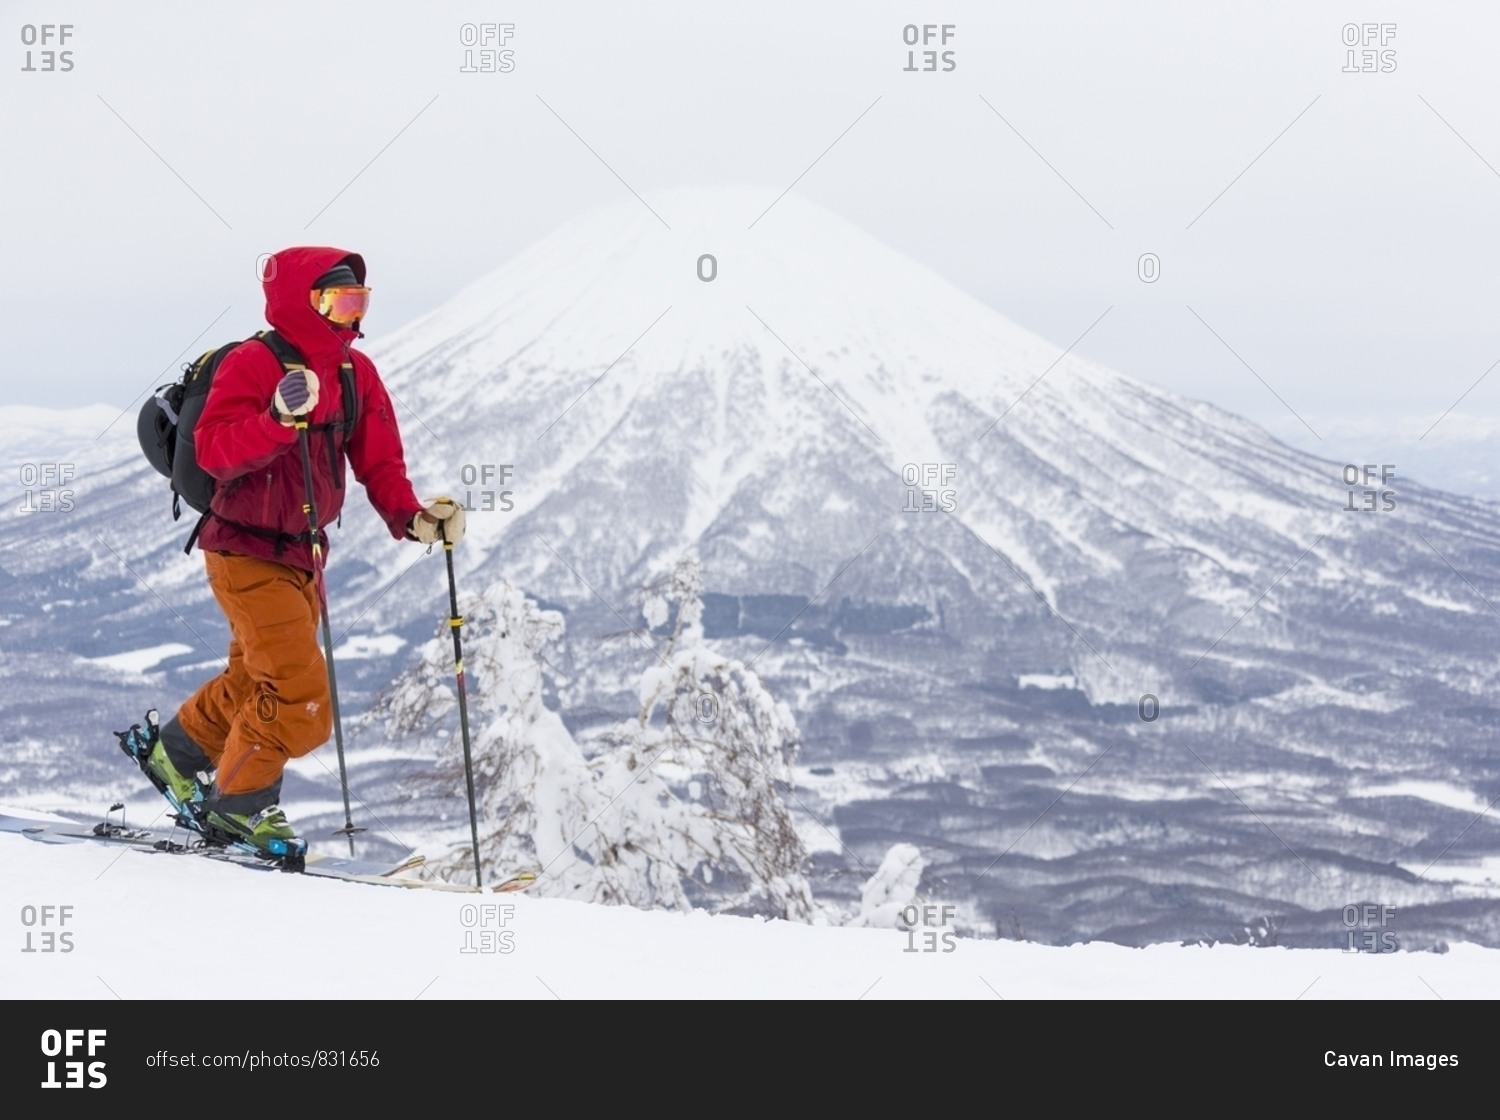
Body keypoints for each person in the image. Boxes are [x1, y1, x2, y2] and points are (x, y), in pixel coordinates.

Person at [140, 246, 464, 854]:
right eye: (337, 301)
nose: (349, 315)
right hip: (243, 550)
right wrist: (277, 421)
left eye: (357, 302)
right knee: (300, 696)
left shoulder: (354, 374)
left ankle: (176, 755)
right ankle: (239, 808)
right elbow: (215, 452)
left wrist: (414, 519)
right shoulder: (253, 365)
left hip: (303, 554)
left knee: (255, 676)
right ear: (302, 302)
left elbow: (380, 461)